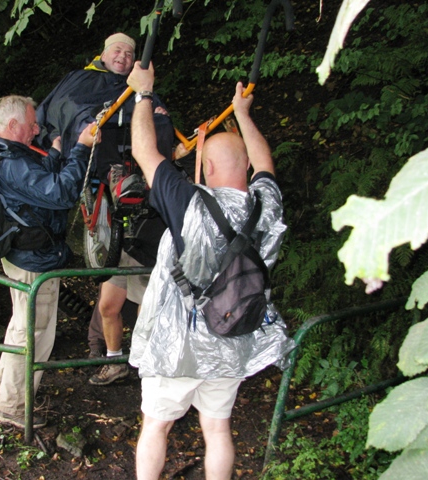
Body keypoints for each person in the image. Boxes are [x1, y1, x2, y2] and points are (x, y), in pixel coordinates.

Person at [126, 62, 295, 479]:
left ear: (210, 169)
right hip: (234, 335)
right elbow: (266, 164)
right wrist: (242, 113)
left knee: (157, 426)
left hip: (177, 348)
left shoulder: (190, 204)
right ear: (248, 171)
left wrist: (143, 94)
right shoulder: (266, 206)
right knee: (217, 428)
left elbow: (144, 152)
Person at [35, 33, 175, 386]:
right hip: (106, 211)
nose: (124, 57)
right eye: (118, 50)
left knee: (144, 300)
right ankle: (114, 360)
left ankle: (145, 364)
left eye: (130, 54)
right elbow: (65, 110)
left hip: (142, 224)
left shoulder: (140, 90)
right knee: (109, 306)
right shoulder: (81, 80)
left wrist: (153, 111)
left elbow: (158, 125)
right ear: (103, 52)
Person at [0, 95, 99, 429]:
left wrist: (56, 154)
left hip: (20, 255)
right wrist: (82, 148)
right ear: (13, 126)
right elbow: (60, 194)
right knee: (36, 333)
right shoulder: (13, 163)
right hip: (34, 259)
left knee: (21, 323)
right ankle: (12, 407)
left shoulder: (2, 152)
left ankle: (4, 384)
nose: (37, 128)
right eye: (32, 122)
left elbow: (36, 187)